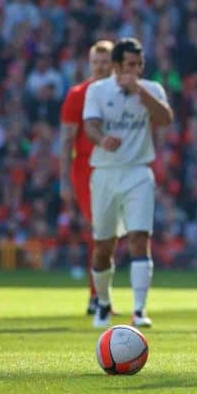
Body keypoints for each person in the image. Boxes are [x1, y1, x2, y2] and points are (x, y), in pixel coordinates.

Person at [83, 37, 173, 328]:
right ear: (116, 66)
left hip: (137, 172)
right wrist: (102, 140)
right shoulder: (97, 90)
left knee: (139, 238)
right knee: (103, 246)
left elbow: (165, 118)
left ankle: (138, 309)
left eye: (139, 65)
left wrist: (141, 93)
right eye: (130, 65)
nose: (135, 70)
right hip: (106, 172)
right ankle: (104, 304)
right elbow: (90, 126)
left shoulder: (152, 90)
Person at [59, 40, 114, 315]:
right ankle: (97, 297)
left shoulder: (121, 93)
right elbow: (67, 139)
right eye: (96, 62)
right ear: (90, 65)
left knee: (110, 233)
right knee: (100, 229)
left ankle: (101, 295)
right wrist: (64, 179)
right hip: (86, 169)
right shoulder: (77, 94)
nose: (101, 66)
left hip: (115, 168)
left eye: (105, 61)